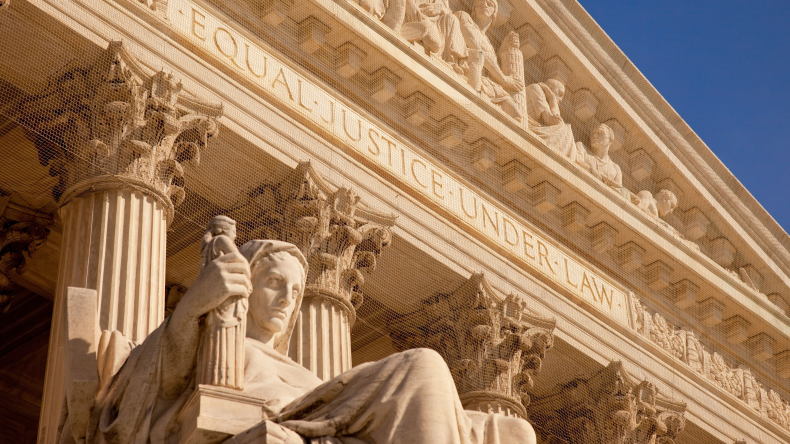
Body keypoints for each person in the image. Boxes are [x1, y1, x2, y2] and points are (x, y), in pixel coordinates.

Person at [84, 236, 537, 444]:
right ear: (245, 285)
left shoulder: (305, 373)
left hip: (327, 419)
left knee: (514, 430)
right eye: (274, 283)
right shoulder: (209, 334)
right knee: (425, 367)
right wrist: (193, 307)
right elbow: (153, 392)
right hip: (286, 420)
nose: (287, 298)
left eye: (297, 291)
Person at [525, 79, 576, 157]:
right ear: (550, 88)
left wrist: (552, 99)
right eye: (560, 94)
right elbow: (550, 120)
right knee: (566, 130)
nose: (561, 99)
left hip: (536, 128)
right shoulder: (535, 88)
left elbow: (555, 120)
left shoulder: (547, 100)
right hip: (529, 127)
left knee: (566, 130)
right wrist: (552, 97)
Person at [574, 123, 623, 189]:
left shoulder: (615, 169)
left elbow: (619, 189)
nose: (594, 135)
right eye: (593, 133)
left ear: (610, 140)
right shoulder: (581, 148)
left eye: (600, 133)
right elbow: (576, 161)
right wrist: (593, 172)